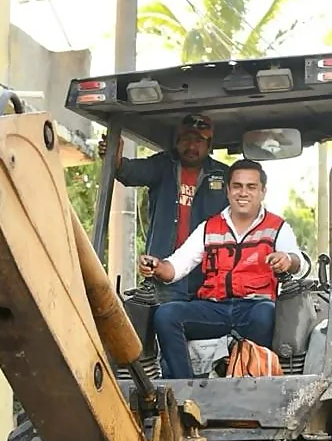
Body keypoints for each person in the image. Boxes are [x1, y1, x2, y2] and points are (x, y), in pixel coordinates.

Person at [139, 159, 304, 378]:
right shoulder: (209, 227)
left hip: (253, 308)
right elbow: (176, 267)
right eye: (237, 186)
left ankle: (251, 382)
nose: (243, 193)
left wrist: (287, 260)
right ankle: (186, 389)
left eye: (251, 187)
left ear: (262, 192)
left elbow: (299, 262)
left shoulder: (277, 227)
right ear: (228, 191)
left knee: (266, 314)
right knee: (166, 314)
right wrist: (157, 266)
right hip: (213, 309)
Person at [104, 114, 228, 297]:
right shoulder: (162, 164)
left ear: (209, 145)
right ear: (177, 141)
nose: (192, 146)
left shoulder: (224, 175)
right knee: (163, 319)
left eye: (199, 140)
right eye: (187, 139)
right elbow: (127, 171)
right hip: (164, 274)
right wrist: (114, 155)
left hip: (210, 277)